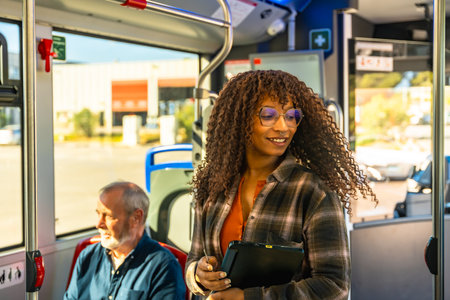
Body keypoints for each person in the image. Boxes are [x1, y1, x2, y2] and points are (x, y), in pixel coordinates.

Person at [185, 70, 377, 300]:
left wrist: (249, 298)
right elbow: (194, 258)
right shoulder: (211, 186)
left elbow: (334, 286)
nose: (283, 127)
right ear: (240, 119)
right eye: (268, 115)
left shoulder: (313, 191)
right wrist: (197, 276)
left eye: (292, 115)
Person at [64, 181, 186, 300]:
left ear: (136, 218)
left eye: (109, 216)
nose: (98, 224)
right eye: (98, 214)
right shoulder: (87, 257)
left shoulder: (163, 267)